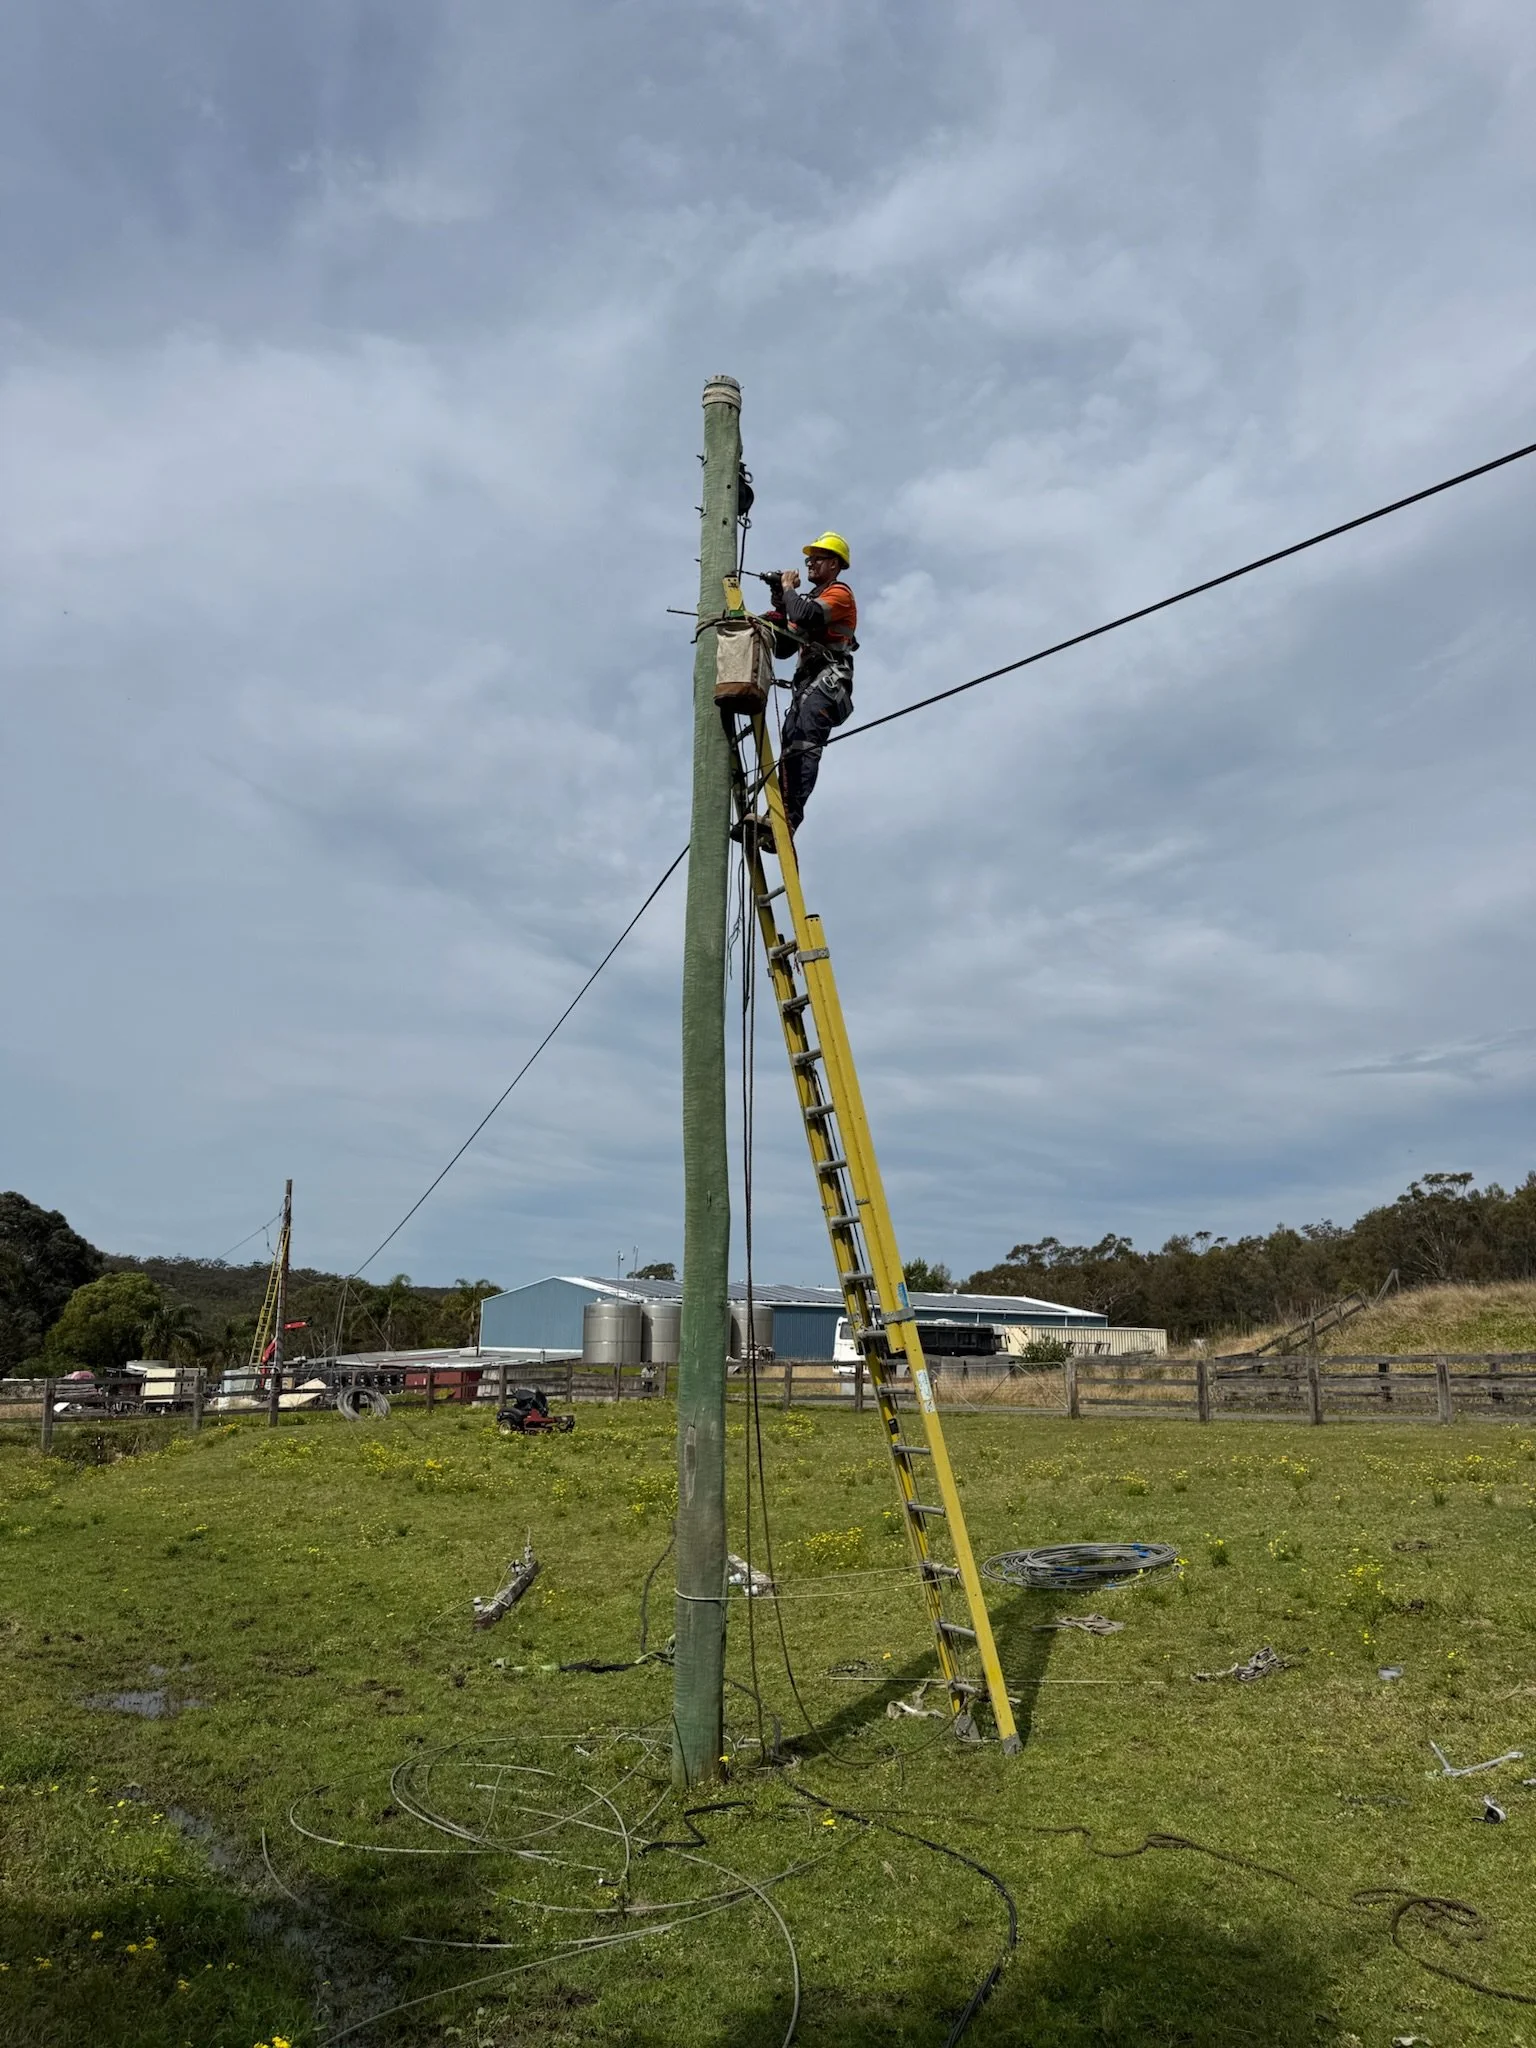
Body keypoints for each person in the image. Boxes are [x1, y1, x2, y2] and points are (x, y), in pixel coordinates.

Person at [762, 530, 857, 837]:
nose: (811, 563)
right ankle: (777, 816)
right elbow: (784, 648)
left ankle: (789, 819)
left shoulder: (840, 594)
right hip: (809, 684)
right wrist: (780, 601)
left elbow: (804, 613)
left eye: (817, 558)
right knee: (791, 742)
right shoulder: (810, 600)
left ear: (835, 564)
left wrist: (789, 589)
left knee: (804, 743)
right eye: (809, 558)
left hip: (828, 682)